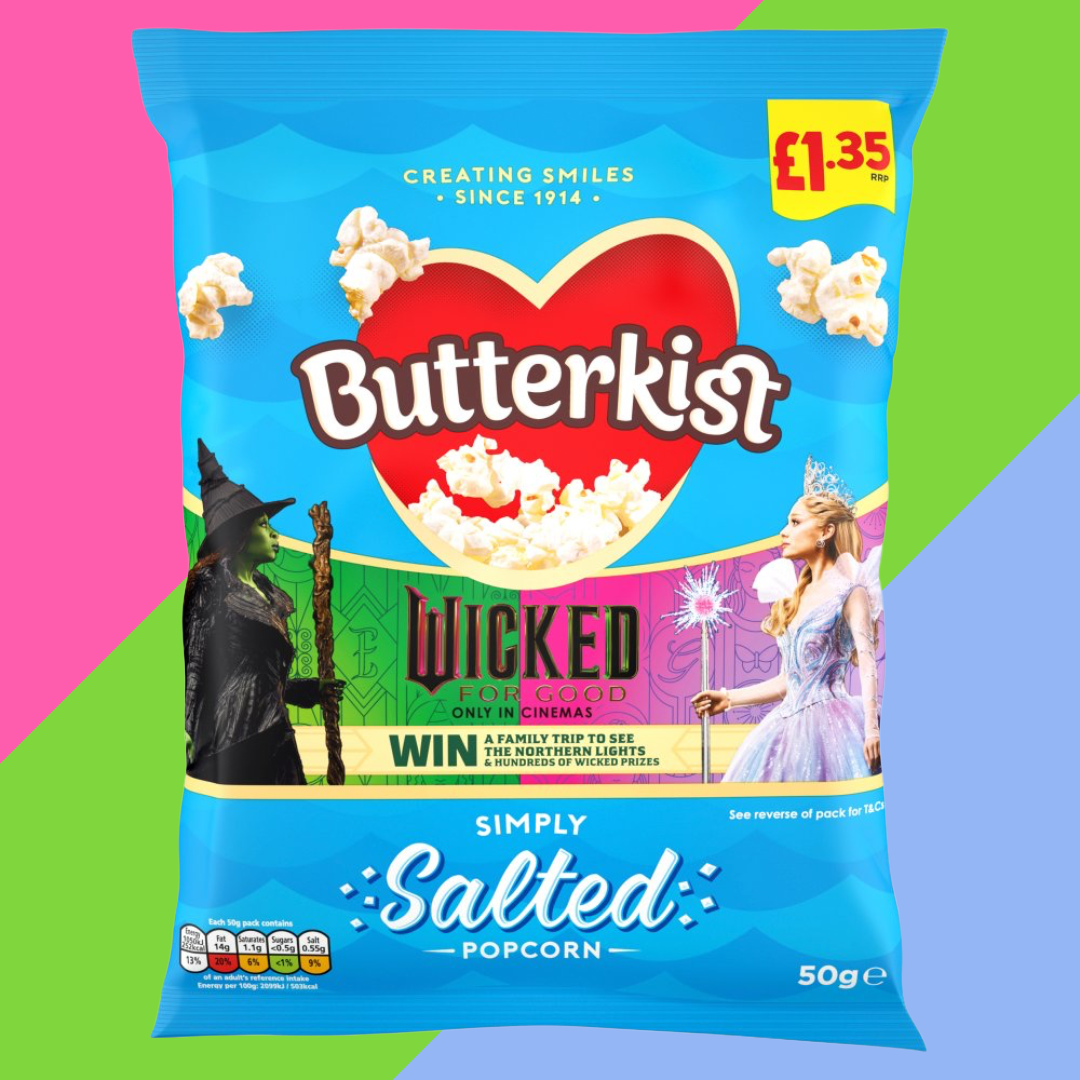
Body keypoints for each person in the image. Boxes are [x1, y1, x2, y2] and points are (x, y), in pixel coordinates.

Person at [692, 457, 882, 782]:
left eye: (795, 522)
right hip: (785, 725)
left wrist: (871, 730)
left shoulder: (852, 591)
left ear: (826, 531)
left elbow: (868, 665)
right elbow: (788, 682)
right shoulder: (797, 595)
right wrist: (730, 698)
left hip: (834, 726)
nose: (783, 532)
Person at [183, 439, 344, 784]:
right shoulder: (210, 583)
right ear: (238, 534)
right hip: (231, 744)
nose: (274, 534)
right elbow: (196, 662)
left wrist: (305, 691)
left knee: (293, 812)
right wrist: (188, 729)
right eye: (263, 525)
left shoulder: (271, 595)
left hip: (276, 735)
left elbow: (256, 675)